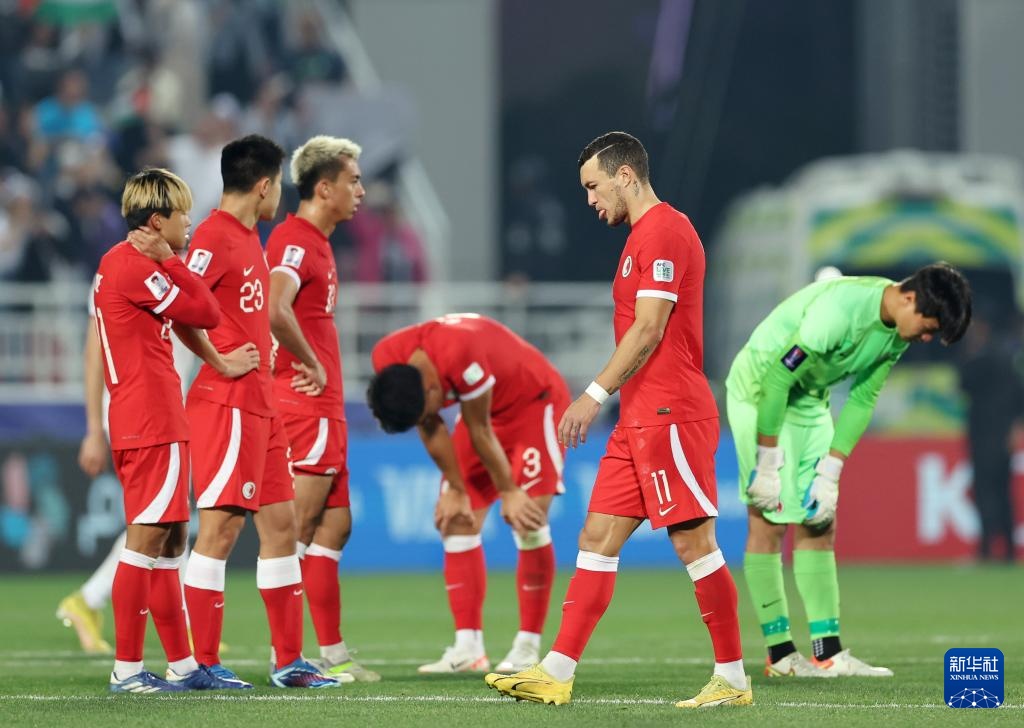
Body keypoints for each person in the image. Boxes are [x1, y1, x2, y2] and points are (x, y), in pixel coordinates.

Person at [485, 131, 751, 709]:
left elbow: (650, 327)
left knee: (694, 542)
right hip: (638, 417)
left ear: (625, 175)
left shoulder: (664, 232)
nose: (589, 199)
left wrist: (593, 394)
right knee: (596, 537)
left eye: (593, 186)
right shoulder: (640, 237)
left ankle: (732, 679)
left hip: (671, 413)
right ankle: (556, 672)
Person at [728, 263, 971, 677]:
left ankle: (827, 653)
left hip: (809, 398)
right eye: (928, 328)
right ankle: (780, 655)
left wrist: (831, 472)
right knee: (768, 520)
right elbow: (777, 379)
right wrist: (767, 462)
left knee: (820, 520)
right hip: (759, 390)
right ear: (909, 298)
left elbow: (862, 399)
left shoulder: (898, 330)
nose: (926, 337)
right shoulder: (838, 312)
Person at [171, 135, 339, 689]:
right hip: (225, 405)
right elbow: (179, 307)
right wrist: (219, 358)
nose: (279, 197)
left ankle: (288, 661)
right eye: (278, 187)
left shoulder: (249, 238)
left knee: (282, 526)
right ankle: (199, 664)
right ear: (264, 186)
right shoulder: (214, 236)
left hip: (260, 405)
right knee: (219, 530)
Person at [93, 167, 241, 692]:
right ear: (157, 222)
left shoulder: (121, 263)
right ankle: (127, 670)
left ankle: (182, 665)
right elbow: (206, 311)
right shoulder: (134, 265)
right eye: (183, 216)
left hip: (153, 415)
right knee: (145, 541)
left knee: (173, 539)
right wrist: (173, 262)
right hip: (149, 418)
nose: (190, 225)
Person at [368, 313, 570, 674]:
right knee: (455, 520)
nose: (426, 419)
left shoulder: (461, 354)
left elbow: (479, 430)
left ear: (433, 388)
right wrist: (456, 489)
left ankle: (527, 645)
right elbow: (430, 424)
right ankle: (468, 649)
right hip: (486, 415)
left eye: (426, 411)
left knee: (528, 519)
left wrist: (509, 490)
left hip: (533, 405)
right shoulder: (388, 358)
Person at [266, 135, 378, 682]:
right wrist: (310, 361)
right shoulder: (294, 240)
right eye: (353, 181)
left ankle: (332, 653)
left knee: (335, 526)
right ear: (325, 188)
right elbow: (274, 305)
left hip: (325, 408)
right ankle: (284, 657)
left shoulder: (319, 242)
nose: (362, 191)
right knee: (297, 527)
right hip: (304, 405)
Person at [957, 307, 1019, 562]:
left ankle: (992, 549)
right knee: (997, 491)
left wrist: (1016, 426)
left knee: (991, 491)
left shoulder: (984, 357)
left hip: (991, 433)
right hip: (989, 432)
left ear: (983, 327)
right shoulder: (1001, 356)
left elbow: (963, 384)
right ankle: (1003, 549)